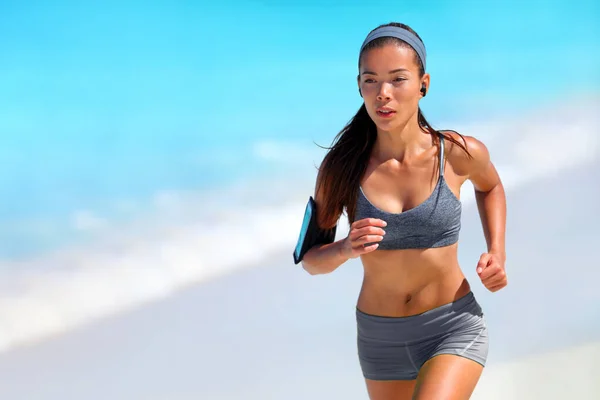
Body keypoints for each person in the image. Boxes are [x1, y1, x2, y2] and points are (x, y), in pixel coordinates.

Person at [299, 22, 508, 400]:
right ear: (359, 86)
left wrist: (497, 251)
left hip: (453, 324)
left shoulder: (457, 152)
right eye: (371, 80)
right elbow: (312, 261)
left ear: (423, 83)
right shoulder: (343, 168)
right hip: (381, 338)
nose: (383, 94)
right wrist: (346, 247)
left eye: (398, 80)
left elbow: (490, 186)